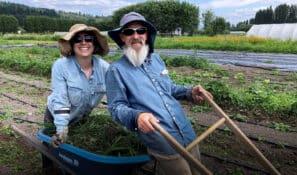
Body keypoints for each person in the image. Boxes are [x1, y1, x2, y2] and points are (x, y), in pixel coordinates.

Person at [106, 12, 213, 175]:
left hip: (186, 131)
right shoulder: (116, 70)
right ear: (122, 37)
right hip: (162, 140)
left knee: (199, 170)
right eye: (129, 32)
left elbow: (169, 88)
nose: (135, 36)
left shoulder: (156, 60)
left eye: (140, 30)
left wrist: (190, 91)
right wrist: (137, 116)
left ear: (146, 34)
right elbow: (116, 108)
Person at [43, 24, 109, 174]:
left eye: (88, 38)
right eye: (78, 39)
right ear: (71, 45)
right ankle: (47, 168)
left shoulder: (104, 68)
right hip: (56, 116)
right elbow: (60, 99)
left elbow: (115, 96)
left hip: (82, 117)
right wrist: (61, 129)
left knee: (75, 149)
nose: (83, 42)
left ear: (94, 43)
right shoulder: (61, 66)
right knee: (49, 145)